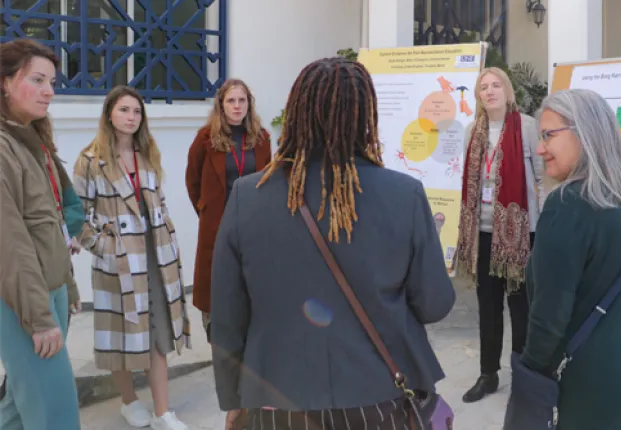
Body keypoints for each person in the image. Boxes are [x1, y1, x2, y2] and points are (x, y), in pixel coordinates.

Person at [210, 57, 456, 430]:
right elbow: (435, 303)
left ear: (295, 114)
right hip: (379, 398)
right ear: (364, 116)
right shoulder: (405, 195)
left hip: (277, 402)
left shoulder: (247, 196)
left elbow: (227, 317)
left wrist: (233, 397)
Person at [503, 88, 621, 430]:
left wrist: (529, 377)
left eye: (548, 135)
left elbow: (550, 314)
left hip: (591, 381)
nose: (540, 148)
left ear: (585, 132)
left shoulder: (568, 204)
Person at [73, 85, 192, 430]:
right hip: (120, 259)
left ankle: (163, 412)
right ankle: (128, 401)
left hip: (156, 256)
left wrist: (167, 230)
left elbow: (160, 201)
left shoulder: (147, 153)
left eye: (137, 111)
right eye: (124, 110)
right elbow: (76, 214)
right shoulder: (90, 159)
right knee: (119, 331)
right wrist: (102, 246)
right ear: (109, 113)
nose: (131, 117)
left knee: (157, 327)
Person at [0, 38, 81, 430]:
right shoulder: (3, 148)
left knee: (18, 407)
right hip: (24, 302)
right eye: (38, 79)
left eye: (52, 81)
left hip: (50, 292)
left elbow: (50, 224)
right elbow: (9, 243)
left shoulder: (32, 140)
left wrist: (68, 286)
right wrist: (39, 317)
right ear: (5, 83)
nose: (50, 91)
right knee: (55, 415)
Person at [456, 66, 545, 403]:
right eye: (483, 87)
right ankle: (487, 373)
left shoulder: (527, 127)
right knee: (488, 305)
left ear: (508, 92)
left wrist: (544, 227)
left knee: (520, 305)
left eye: (496, 86)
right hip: (483, 232)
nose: (490, 91)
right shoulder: (472, 131)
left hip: (521, 235)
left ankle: (522, 374)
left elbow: (542, 179)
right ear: (478, 96)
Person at [185, 78, 271, 340]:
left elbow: (269, 178)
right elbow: (193, 181)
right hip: (218, 225)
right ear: (221, 105)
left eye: (241, 100)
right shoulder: (205, 139)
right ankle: (217, 335)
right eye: (231, 101)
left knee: (249, 283)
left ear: (249, 104)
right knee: (215, 283)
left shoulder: (262, 138)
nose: (236, 106)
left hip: (252, 225)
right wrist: (205, 208)